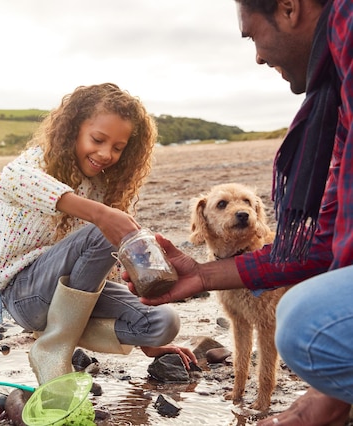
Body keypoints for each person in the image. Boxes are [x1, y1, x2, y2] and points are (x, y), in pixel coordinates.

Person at [125, 1, 353, 425]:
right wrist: (201, 275)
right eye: (225, 205)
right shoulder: (336, 97)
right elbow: (326, 241)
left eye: (252, 35)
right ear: (205, 216)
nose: (258, 57)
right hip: (235, 270)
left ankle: (278, 395)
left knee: (302, 322)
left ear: (289, 8)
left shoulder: (348, 34)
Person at [0, 83, 196, 386]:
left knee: (163, 322)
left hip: (71, 300)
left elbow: (95, 262)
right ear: (73, 130)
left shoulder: (100, 188)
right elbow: (9, 180)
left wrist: (146, 341)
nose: (106, 153)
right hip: (26, 293)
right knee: (103, 227)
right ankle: (54, 350)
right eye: (98, 139)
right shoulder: (36, 163)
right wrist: (101, 214)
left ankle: (62, 335)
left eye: (119, 148)